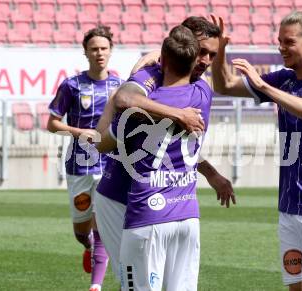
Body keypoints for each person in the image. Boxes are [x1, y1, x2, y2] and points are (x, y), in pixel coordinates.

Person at [211, 11, 302, 291]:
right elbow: (223, 85)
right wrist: (219, 52)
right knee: (296, 288)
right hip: (290, 202)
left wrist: (264, 86)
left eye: (288, 42)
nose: (280, 47)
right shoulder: (285, 79)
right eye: (279, 41)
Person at [94, 16, 235, 284]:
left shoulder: (189, 88)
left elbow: (115, 127)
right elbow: (128, 102)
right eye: (202, 51)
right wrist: (177, 114)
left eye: (212, 55)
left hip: (153, 202)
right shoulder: (157, 79)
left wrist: (210, 172)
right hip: (117, 196)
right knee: (131, 280)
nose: (204, 60)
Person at [47, 26, 120, 291]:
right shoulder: (72, 85)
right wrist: (79, 132)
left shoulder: (119, 86)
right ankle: (87, 246)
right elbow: (52, 123)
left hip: (110, 164)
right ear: (86, 52)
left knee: (102, 225)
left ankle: (95, 286)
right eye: (94, 49)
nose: (99, 53)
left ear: (111, 51)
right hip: (79, 165)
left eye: (104, 48)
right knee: (81, 231)